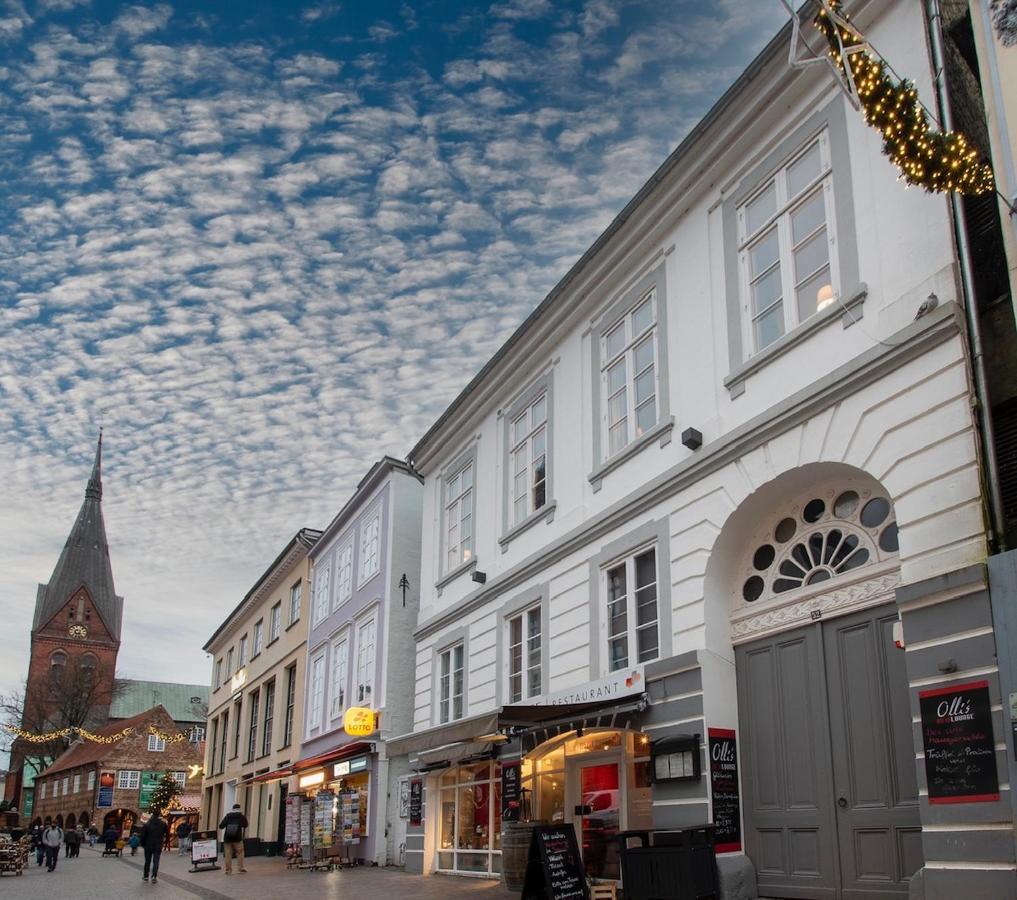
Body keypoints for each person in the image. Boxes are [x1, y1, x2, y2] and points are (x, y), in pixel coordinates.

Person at [218, 803, 248, 875]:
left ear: (233, 809)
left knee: (228, 854)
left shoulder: (228, 816)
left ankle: (228, 870)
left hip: (227, 838)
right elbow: (245, 825)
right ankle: (240, 868)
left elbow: (221, 826)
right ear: (239, 808)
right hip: (237, 838)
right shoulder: (241, 816)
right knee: (240, 853)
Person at [140, 811, 168, 884]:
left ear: (152, 815)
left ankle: (146, 876)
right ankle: (154, 877)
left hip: (148, 845)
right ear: (159, 815)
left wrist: (143, 844)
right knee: (156, 861)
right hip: (158, 845)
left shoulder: (147, 824)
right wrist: (164, 842)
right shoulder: (163, 824)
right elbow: (167, 834)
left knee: (147, 861)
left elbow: (142, 836)